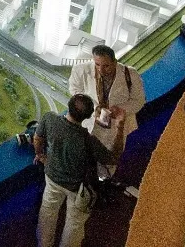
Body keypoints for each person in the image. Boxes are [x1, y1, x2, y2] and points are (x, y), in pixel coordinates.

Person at [34, 94, 125, 247]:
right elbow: (112, 158)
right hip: (78, 189)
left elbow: (37, 138)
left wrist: (40, 155)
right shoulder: (89, 140)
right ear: (88, 116)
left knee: (47, 214)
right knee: (74, 224)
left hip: (52, 179)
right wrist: (120, 126)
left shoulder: (50, 119)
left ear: (69, 105)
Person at [68, 44, 145, 180]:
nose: (101, 70)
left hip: (115, 127)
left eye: (106, 66)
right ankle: (86, 180)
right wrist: (93, 108)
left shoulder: (130, 74)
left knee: (110, 159)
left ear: (115, 62)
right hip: (91, 124)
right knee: (85, 156)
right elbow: (74, 91)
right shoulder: (80, 70)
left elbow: (139, 100)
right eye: (97, 64)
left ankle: (105, 180)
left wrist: (120, 109)